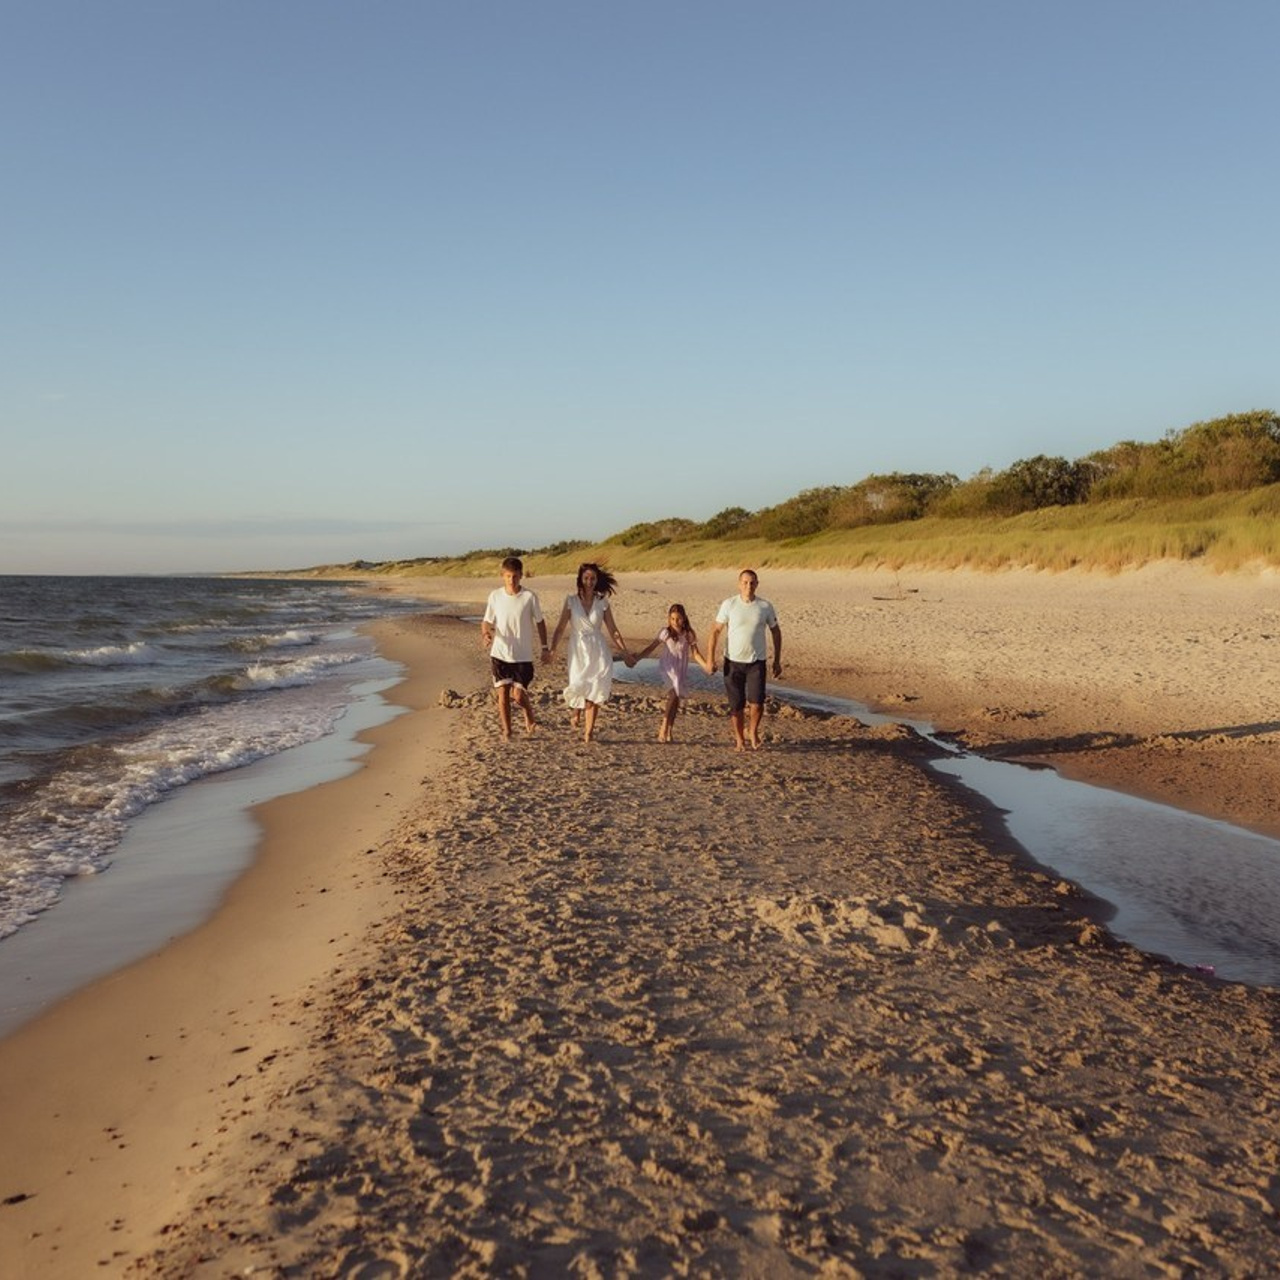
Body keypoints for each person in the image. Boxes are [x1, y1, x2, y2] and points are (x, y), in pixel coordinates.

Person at [547, 562, 632, 743]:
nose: (589, 581)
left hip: (598, 650)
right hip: (578, 650)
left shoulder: (602, 602)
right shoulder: (571, 601)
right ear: (580, 579)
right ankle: (577, 710)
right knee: (578, 683)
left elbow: (613, 630)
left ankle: (589, 732)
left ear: (596, 580)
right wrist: (552, 649)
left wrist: (624, 652)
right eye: (586, 578)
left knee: (595, 688)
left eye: (593, 578)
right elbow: (560, 628)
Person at [707, 568, 782, 751]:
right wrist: (710, 659)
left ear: (757, 584)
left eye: (752, 582)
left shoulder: (765, 606)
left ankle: (753, 732)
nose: (749, 586)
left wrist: (777, 660)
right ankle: (740, 738)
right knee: (736, 705)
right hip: (732, 662)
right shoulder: (729, 604)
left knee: (757, 703)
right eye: (745, 582)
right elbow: (715, 631)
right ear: (739, 584)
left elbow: (776, 631)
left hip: (757, 662)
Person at [480, 556, 549, 739]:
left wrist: (544, 647)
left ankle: (529, 713)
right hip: (500, 653)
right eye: (508, 576)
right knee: (502, 694)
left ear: (521, 576)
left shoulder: (529, 597)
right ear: (502, 576)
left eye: (515, 576)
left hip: (522, 655)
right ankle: (507, 731)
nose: (512, 580)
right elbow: (486, 621)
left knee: (518, 696)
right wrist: (486, 634)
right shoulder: (495, 596)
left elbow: (540, 622)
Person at [629, 602, 712, 743]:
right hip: (667, 667)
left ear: (684, 618)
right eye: (672, 619)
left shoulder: (689, 634)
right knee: (673, 694)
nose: (675, 622)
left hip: (680, 669)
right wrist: (637, 658)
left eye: (678, 619)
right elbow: (651, 647)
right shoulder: (665, 632)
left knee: (676, 700)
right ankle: (663, 727)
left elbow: (696, 654)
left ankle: (669, 731)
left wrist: (706, 666)